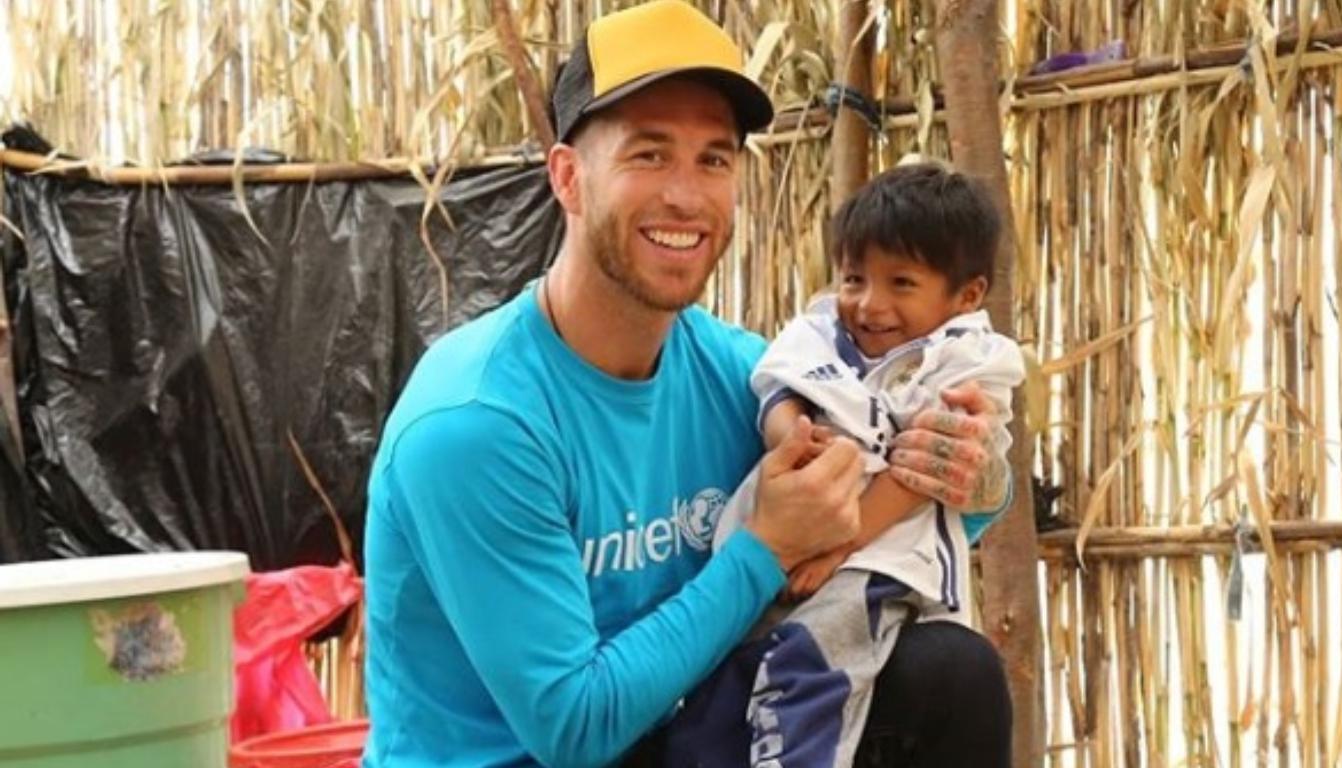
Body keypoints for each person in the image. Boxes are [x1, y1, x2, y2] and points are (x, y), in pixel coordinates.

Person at [361, 2, 1012, 766]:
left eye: (714, 159)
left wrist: (973, 474)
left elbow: (906, 511)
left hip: (667, 740)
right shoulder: (478, 422)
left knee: (948, 674)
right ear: (569, 178)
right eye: (649, 154)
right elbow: (573, 730)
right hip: (552, 751)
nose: (687, 194)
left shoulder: (738, 374)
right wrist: (764, 549)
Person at [666, 162, 1024, 768]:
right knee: (731, 670)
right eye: (855, 277)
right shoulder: (820, 331)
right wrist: (798, 440)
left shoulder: (970, 363)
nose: (868, 304)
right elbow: (778, 394)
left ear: (966, 296)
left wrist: (836, 540)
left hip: (875, 562)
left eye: (901, 283)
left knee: (814, 670)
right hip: (780, 550)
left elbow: (920, 474)